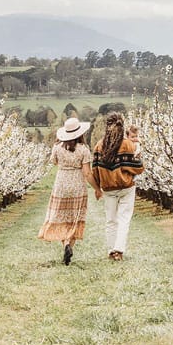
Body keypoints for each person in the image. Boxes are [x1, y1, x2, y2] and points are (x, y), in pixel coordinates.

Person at [38, 116, 102, 264]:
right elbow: (87, 173)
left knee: (62, 217)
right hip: (77, 186)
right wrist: (97, 189)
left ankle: (65, 243)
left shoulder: (57, 148)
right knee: (75, 218)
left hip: (61, 184)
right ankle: (70, 244)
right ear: (80, 133)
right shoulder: (83, 150)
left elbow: (53, 162)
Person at [91, 112, 144, 261]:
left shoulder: (98, 146)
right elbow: (137, 167)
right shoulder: (127, 144)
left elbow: (95, 169)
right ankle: (119, 250)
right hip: (126, 187)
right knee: (124, 219)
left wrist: (97, 187)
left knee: (110, 220)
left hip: (108, 188)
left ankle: (111, 250)